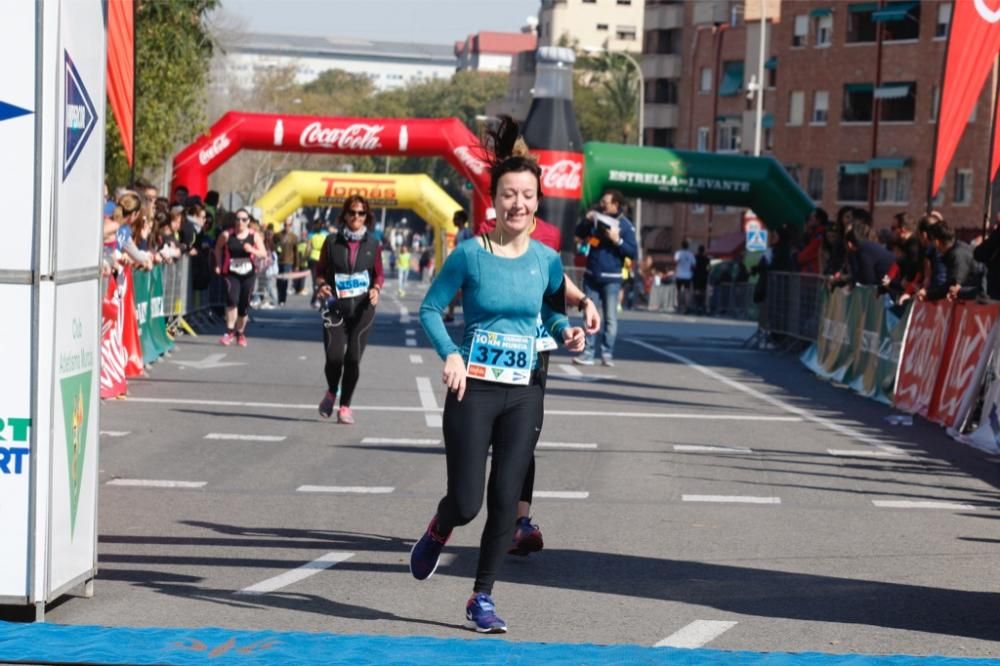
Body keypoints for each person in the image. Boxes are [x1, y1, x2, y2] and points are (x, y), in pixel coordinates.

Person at [410, 117, 585, 634]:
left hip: (524, 391)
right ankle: (440, 528)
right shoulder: (469, 255)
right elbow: (429, 309)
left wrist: (566, 332)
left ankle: (481, 596)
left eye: (527, 196)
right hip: (474, 386)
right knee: (467, 501)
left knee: (506, 501)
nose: (519, 205)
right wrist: (451, 354)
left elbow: (549, 313)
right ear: (494, 201)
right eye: (509, 195)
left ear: (537, 201)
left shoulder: (547, 260)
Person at [313, 196, 384, 424]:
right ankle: (332, 391)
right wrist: (322, 285)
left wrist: (376, 288)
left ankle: (345, 406)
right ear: (344, 214)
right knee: (334, 358)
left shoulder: (373, 245)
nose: (356, 217)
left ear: (367, 216)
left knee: (353, 359)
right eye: (352, 212)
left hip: (363, 309)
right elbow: (321, 270)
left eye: (361, 213)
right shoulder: (331, 241)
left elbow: (379, 274)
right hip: (334, 307)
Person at [572, 190, 638, 366]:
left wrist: (618, 241)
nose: (602, 205)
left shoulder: (626, 225)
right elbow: (579, 233)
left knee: (610, 318)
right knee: (589, 314)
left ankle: (607, 353)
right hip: (592, 274)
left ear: (616, 204)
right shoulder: (596, 218)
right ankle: (588, 352)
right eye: (601, 202)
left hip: (612, 278)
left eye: (605, 202)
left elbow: (633, 252)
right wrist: (587, 220)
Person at [214, 209, 267, 346]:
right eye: (237, 219)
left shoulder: (254, 236)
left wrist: (252, 250)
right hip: (231, 273)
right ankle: (229, 332)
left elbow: (263, 253)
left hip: (248, 274)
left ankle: (240, 333)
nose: (240, 222)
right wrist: (218, 264)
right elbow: (218, 248)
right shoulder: (227, 235)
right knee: (232, 299)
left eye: (244, 219)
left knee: (243, 306)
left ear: (248, 221)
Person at [275, 216, 301, 306]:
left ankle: (283, 299)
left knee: (284, 281)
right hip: (278, 261)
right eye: (285, 225)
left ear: (291, 225)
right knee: (278, 281)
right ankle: (279, 297)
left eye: (289, 225)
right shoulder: (278, 235)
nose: (287, 226)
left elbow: (296, 251)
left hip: (288, 261)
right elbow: (273, 246)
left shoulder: (294, 237)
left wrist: (296, 265)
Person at [673, 240, 696, 314]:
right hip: (688, 275)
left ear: (681, 245)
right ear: (688, 246)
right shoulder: (691, 254)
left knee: (679, 291)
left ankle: (679, 306)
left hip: (679, 274)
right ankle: (687, 307)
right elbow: (694, 265)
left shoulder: (678, 253)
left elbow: (676, 261)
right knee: (687, 291)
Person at [693, 245, 711, 314]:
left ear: (698, 250)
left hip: (696, 276)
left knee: (696, 291)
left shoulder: (695, 258)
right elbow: (709, 268)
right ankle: (701, 306)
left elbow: (693, 266)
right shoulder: (706, 259)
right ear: (703, 251)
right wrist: (707, 273)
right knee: (703, 291)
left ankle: (696, 306)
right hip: (704, 276)